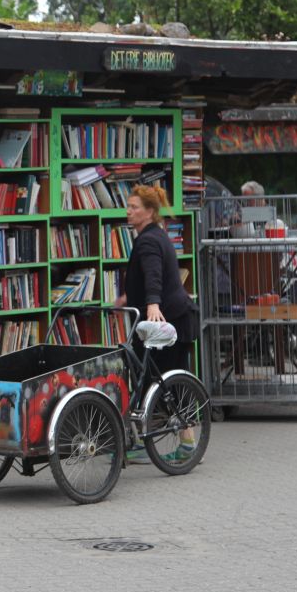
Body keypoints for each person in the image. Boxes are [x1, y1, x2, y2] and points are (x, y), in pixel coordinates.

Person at [115, 183, 198, 463]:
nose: (128, 211)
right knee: (152, 380)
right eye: (128, 206)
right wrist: (128, 297)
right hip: (170, 318)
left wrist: (152, 304)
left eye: (134, 207)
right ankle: (143, 442)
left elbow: (154, 275)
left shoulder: (148, 240)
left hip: (165, 320)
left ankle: (188, 445)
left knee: (166, 382)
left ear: (149, 212)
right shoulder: (154, 235)